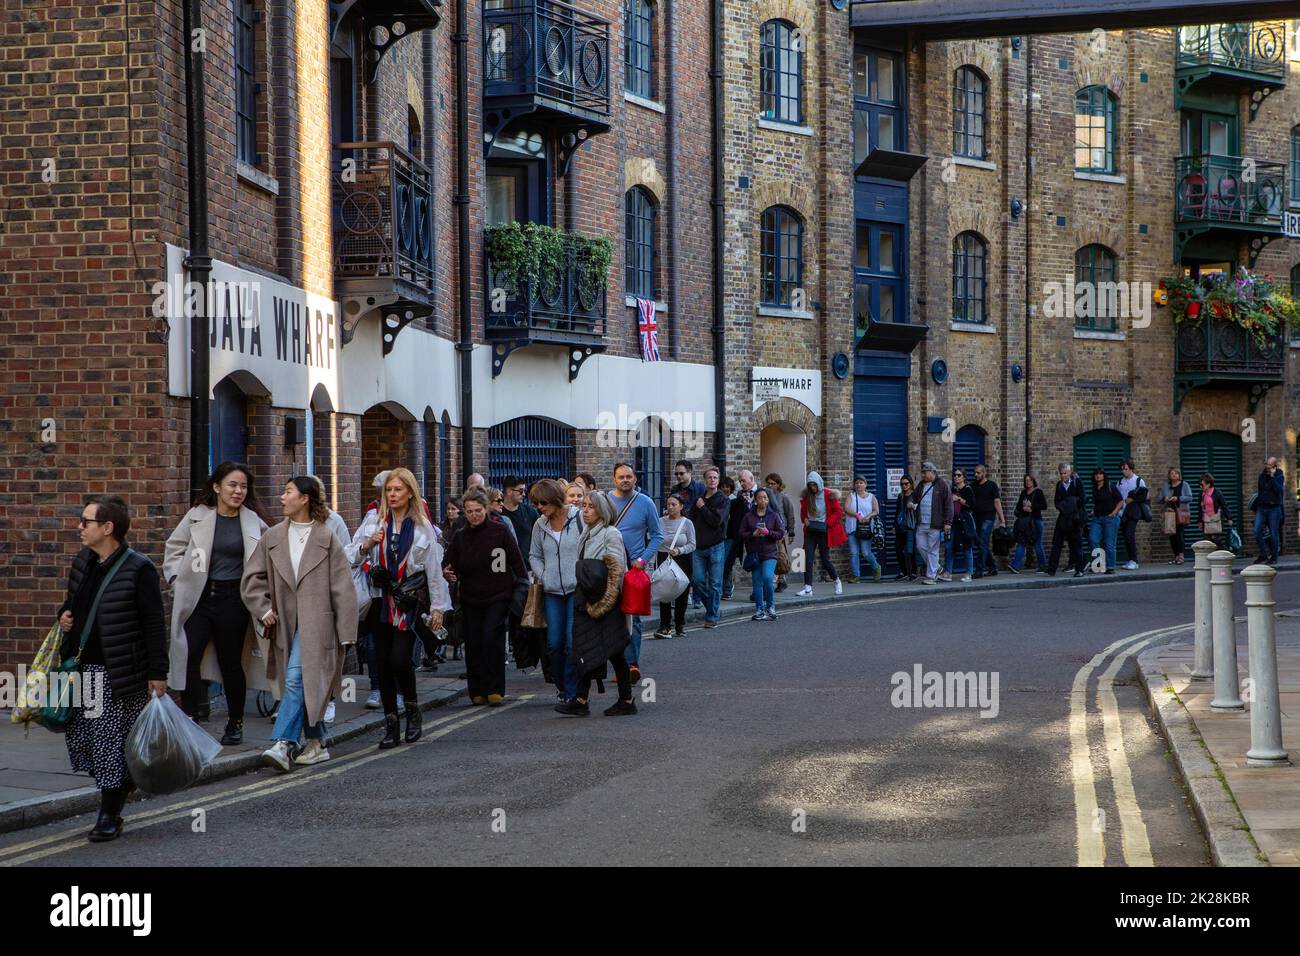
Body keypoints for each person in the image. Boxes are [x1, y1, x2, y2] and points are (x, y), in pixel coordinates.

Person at [59, 496, 167, 842]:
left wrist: (158, 673)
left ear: (108, 528)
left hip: (117, 672)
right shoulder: (84, 562)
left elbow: (153, 623)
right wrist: (64, 617)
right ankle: (120, 785)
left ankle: (109, 814)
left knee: (105, 742)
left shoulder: (139, 568)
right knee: (86, 741)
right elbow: (75, 603)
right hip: (83, 668)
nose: (79, 527)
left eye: (85, 521)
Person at [243, 477, 358, 771]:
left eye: (288, 492)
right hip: (284, 623)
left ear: (305, 498)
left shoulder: (326, 536)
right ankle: (317, 743)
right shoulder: (273, 537)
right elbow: (252, 580)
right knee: (306, 683)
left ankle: (283, 743)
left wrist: (346, 631)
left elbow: (342, 586)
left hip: (319, 625)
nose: (282, 497)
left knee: (296, 679)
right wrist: (263, 608)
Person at [161, 462, 268, 746]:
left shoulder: (253, 521)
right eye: (232, 485)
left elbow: (269, 559)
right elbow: (174, 548)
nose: (238, 491)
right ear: (217, 487)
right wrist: (175, 579)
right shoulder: (197, 516)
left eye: (243, 486)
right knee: (189, 657)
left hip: (235, 600)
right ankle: (191, 719)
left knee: (231, 662)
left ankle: (235, 723)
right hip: (199, 599)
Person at [346, 467, 451, 749]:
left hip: (406, 602)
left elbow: (433, 571)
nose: (392, 495)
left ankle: (413, 712)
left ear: (410, 493)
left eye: (398, 490)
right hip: (380, 600)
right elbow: (350, 556)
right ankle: (391, 723)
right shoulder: (373, 521)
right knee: (381, 662)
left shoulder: (422, 527)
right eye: (388, 490)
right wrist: (368, 544)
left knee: (399, 660)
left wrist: (439, 607)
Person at [442, 488, 526, 707]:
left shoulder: (500, 531)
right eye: (469, 511)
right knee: (474, 643)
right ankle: (477, 690)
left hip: (498, 596)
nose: (474, 515)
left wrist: (521, 587)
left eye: (478, 510)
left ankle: (495, 689)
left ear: (486, 509)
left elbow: (518, 563)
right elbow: (448, 564)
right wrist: (447, 573)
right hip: (471, 597)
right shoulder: (460, 537)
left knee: (491, 640)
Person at [556, 491, 636, 718]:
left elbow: (616, 571)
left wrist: (606, 603)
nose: (586, 510)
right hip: (587, 599)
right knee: (585, 648)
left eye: (591, 506)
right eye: (584, 506)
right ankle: (581, 700)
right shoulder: (588, 533)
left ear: (602, 510)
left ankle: (626, 700)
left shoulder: (611, 534)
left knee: (615, 651)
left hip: (605, 603)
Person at [528, 478, 584, 704]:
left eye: (543, 502)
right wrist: (544, 574)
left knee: (571, 643)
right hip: (552, 591)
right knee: (554, 643)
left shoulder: (578, 518)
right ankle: (562, 687)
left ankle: (571, 692)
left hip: (576, 589)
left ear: (555, 499)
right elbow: (534, 555)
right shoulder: (539, 525)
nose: (540, 507)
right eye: (536, 504)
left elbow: (589, 547)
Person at [607, 462, 663, 679]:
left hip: (633, 569)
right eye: (620, 477)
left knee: (633, 617)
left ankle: (631, 664)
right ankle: (613, 662)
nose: (625, 480)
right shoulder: (605, 501)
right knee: (610, 616)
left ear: (635, 479)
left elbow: (657, 535)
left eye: (629, 476)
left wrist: (642, 559)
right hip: (609, 566)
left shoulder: (646, 503)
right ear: (614, 479)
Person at [690, 465, 730, 628]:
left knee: (714, 583)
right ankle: (711, 608)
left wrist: (703, 507)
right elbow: (691, 518)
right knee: (697, 580)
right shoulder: (699, 498)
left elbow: (715, 521)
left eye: (715, 477)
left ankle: (712, 616)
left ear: (718, 480)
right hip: (698, 547)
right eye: (709, 477)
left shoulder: (723, 499)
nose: (712, 480)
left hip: (716, 546)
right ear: (705, 480)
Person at [654, 493, 695, 639]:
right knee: (664, 591)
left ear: (681, 506)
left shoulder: (687, 523)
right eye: (668, 504)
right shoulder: (659, 521)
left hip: (682, 558)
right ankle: (664, 626)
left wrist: (680, 550)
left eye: (674, 504)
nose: (670, 507)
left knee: (681, 592)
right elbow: (654, 539)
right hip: (664, 557)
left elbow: (692, 544)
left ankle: (680, 624)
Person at [740, 488, 785, 620]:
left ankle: (771, 607)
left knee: (767, 577)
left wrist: (767, 532)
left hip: (770, 553)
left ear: (768, 500)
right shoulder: (748, 516)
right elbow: (741, 533)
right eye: (759, 497)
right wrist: (752, 534)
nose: (762, 500)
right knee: (757, 583)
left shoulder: (774, 515)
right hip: (754, 554)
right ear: (755, 500)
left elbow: (781, 533)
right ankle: (760, 610)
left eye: (765, 497)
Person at [798, 472, 844, 596]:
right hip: (811, 531)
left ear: (819, 483)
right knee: (807, 558)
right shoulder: (807, 496)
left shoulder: (828, 495)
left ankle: (837, 581)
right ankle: (808, 588)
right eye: (810, 485)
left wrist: (827, 523)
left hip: (824, 531)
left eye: (814, 485)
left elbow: (838, 512)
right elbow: (803, 513)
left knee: (825, 560)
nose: (813, 488)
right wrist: (805, 520)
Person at [912, 462, 953, 585]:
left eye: (925, 472)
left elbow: (948, 505)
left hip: (935, 524)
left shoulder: (942, 485)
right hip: (921, 523)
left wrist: (948, 523)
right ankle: (936, 567)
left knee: (932, 550)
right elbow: (913, 497)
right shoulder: (921, 485)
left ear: (933, 472)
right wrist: (910, 502)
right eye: (922, 472)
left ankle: (931, 576)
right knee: (920, 546)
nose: (923, 475)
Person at [723, 470, 758, 600]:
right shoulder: (739, 495)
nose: (741, 483)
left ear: (751, 478)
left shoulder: (763, 493)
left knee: (756, 561)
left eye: (743, 481)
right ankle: (726, 588)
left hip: (758, 535)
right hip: (742, 534)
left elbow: (775, 512)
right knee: (731, 559)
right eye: (740, 481)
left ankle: (757, 592)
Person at [1049, 463, 1086, 577]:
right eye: (1061, 473)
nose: (1063, 475)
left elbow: (1082, 499)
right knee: (1057, 543)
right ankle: (1052, 569)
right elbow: (1057, 502)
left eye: (1065, 473)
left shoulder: (1077, 483)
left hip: (1074, 518)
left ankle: (1079, 569)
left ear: (1069, 472)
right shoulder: (1059, 485)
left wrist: (1071, 504)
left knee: (1076, 544)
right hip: (1063, 517)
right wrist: (1066, 505)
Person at [843, 475, 882, 584]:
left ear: (865, 484)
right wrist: (857, 515)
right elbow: (846, 508)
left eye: (861, 482)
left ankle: (876, 567)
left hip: (866, 528)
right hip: (853, 527)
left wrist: (868, 517)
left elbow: (876, 510)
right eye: (857, 483)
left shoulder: (871, 497)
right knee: (854, 553)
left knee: (865, 552)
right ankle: (856, 576)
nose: (858, 485)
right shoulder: (851, 496)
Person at [1008, 474, 1048, 574]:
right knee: (1021, 542)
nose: (1028, 482)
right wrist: (1023, 508)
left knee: (1037, 543)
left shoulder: (1038, 492)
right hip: (1025, 522)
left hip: (1036, 521)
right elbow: (1018, 507)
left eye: (1030, 480)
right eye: (1026, 480)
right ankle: (1016, 565)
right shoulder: (1023, 493)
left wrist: (1032, 506)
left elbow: (1044, 505)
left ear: (1033, 481)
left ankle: (1042, 566)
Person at [764, 473, 797, 593]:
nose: (770, 485)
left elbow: (790, 515)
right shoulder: (765, 496)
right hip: (767, 530)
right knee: (776, 555)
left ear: (778, 484)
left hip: (780, 530)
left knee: (779, 555)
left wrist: (791, 532)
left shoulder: (783, 497)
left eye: (773, 483)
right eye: (768, 483)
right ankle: (781, 581)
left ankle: (775, 581)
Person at [971, 464, 1005, 578]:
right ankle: (993, 567)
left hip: (988, 518)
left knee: (982, 542)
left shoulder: (992, 485)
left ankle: (979, 570)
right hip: (976, 518)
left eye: (978, 472)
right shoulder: (973, 485)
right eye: (975, 472)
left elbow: (997, 502)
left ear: (984, 473)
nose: (976, 474)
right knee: (981, 543)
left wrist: (1002, 520)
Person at [1088, 466, 1124, 574]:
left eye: (1100, 473)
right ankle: (1098, 564)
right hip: (1097, 518)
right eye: (1096, 474)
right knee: (1093, 539)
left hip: (1110, 519)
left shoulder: (1110, 486)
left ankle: (1110, 566)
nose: (1098, 475)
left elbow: (1121, 501)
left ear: (1104, 475)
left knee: (1109, 544)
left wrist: (1114, 513)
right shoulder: (1095, 488)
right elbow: (1098, 503)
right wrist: (1094, 509)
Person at [1117, 459, 1149, 571]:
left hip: (1133, 512)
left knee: (1129, 534)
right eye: (1122, 469)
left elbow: (1146, 496)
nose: (1124, 471)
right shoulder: (1120, 482)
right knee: (1126, 536)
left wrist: (1133, 499)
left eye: (1125, 469)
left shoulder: (1138, 480)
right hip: (1123, 513)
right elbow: (1118, 497)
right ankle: (1131, 559)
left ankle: (1134, 561)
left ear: (1131, 468)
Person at [1252, 456, 1284, 565]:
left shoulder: (1279, 475)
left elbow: (1279, 490)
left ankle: (1274, 557)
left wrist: (1273, 476)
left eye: (1269, 465)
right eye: (1266, 464)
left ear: (1274, 466)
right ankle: (1263, 554)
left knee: (1273, 533)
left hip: (1274, 508)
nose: (1267, 467)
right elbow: (1262, 490)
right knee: (1256, 531)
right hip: (1262, 508)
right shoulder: (1262, 476)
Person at [946, 469, 976, 582]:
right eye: (955, 475)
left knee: (967, 547)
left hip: (965, 521)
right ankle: (948, 572)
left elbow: (972, 505)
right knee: (950, 546)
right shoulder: (952, 489)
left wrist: (959, 499)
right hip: (953, 521)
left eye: (959, 475)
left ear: (964, 477)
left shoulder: (968, 489)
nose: (956, 477)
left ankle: (968, 573)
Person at [1160, 467, 1193, 565]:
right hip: (1170, 513)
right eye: (1172, 473)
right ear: (1169, 476)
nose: (1174, 475)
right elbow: (1159, 499)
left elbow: (1190, 497)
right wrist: (1164, 498)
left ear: (1179, 475)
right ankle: (1176, 556)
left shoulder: (1184, 484)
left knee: (1179, 534)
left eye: (1176, 473)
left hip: (1180, 513)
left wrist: (1178, 498)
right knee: (1172, 536)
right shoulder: (1166, 485)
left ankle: (1181, 556)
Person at [500, 476, 539, 558]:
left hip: (528, 566)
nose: (524, 494)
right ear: (509, 491)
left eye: (524, 491)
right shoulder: (499, 513)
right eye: (520, 491)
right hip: (506, 566)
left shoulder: (530, 512)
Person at [893, 475, 918, 581]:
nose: (904, 486)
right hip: (900, 526)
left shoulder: (915, 495)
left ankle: (913, 572)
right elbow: (897, 511)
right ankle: (903, 571)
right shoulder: (900, 496)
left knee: (910, 550)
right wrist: (894, 525)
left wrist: (912, 505)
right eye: (902, 484)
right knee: (898, 549)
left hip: (911, 526)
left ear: (911, 484)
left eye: (906, 483)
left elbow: (920, 509)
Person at [1199, 473, 1232, 549]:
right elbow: (1200, 508)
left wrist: (1229, 518)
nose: (1200, 487)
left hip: (1216, 520)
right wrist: (1200, 521)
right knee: (1207, 541)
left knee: (1216, 539)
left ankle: (1223, 553)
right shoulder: (1201, 494)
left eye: (1202, 484)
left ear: (1208, 484)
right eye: (1199, 484)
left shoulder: (1217, 493)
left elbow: (1224, 505)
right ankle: (1211, 558)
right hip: (1206, 520)